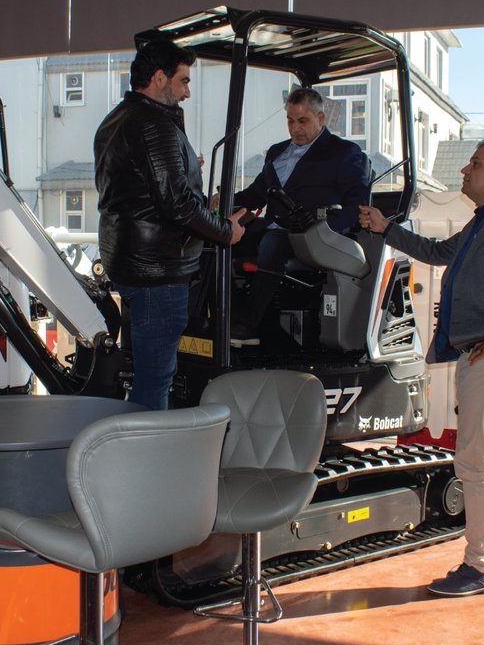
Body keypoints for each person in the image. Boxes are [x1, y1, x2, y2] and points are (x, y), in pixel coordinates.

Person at [358, 138, 484, 597]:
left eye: (476, 163)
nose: (465, 170)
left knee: (474, 463)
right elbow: (439, 253)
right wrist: (387, 228)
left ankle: (479, 567)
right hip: (481, 352)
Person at [94, 40, 246, 410]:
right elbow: (176, 205)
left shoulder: (117, 118)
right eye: (183, 81)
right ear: (160, 78)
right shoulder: (153, 125)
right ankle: (148, 462)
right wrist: (227, 231)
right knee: (155, 379)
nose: (187, 92)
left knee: (148, 372)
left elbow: (144, 191)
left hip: (132, 262)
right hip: (157, 271)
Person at [228, 87, 370, 346]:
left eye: (302, 121)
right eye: (290, 121)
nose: (295, 129)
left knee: (274, 243)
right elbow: (257, 194)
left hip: (311, 235)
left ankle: (249, 325)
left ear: (321, 118)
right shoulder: (276, 152)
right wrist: (225, 200)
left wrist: (323, 227)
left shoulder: (343, 153)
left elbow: (357, 204)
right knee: (217, 239)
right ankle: (227, 318)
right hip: (270, 228)